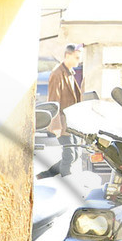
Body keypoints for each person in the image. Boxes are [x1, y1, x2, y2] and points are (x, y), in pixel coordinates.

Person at [48, 42, 85, 176]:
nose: (79, 61)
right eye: (76, 57)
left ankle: (48, 173)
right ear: (67, 56)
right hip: (62, 122)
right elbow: (53, 100)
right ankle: (65, 178)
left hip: (72, 122)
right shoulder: (57, 74)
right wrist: (56, 124)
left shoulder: (70, 73)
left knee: (75, 154)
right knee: (69, 155)